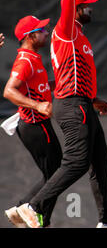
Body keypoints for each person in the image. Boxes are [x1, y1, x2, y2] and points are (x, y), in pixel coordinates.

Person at [16, 0, 107, 228]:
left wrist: (95, 100)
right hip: (72, 106)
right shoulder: (65, 31)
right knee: (75, 162)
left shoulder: (80, 36)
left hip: (83, 104)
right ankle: (33, 205)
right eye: (86, 6)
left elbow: (77, 74)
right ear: (75, 8)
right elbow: (66, 6)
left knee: (101, 164)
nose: (90, 10)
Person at [3, 16, 62, 228]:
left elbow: (39, 87)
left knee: (55, 173)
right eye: (42, 30)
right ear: (30, 36)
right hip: (35, 125)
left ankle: (30, 212)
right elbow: (9, 91)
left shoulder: (33, 57)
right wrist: (37, 105)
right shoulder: (25, 60)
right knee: (57, 174)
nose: (46, 33)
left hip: (38, 124)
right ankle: (28, 210)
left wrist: (60, 83)